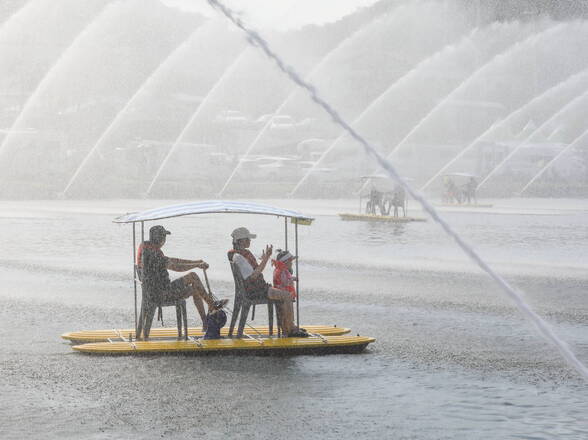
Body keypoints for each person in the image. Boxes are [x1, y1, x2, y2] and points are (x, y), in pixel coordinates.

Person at [137, 225, 227, 335]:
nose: (165, 240)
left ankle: (206, 319)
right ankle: (211, 307)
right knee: (193, 277)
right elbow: (176, 267)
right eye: (164, 237)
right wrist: (196, 265)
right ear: (160, 239)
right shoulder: (154, 254)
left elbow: (174, 260)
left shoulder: (145, 247)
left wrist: (196, 262)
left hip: (154, 291)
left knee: (195, 286)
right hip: (161, 293)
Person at [227, 227, 307, 337]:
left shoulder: (240, 254)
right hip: (255, 291)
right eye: (247, 239)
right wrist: (266, 259)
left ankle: (287, 327)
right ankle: (290, 329)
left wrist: (263, 259)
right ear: (240, 241)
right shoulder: (238, 257)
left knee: (283, 296)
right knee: (287, 296)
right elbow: (254, 276)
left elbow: (251, 270)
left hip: (255, 288)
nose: (250, 241)